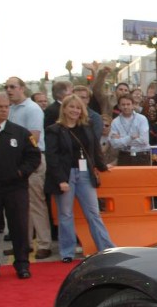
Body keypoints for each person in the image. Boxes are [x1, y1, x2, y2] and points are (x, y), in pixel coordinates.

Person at [0, 91, 41, 280]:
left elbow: (33, 156)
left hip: (15, 189)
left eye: (6, 107)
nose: (4, 110)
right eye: (0, 107)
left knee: (19, 227)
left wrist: (20, 172)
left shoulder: (19, 133)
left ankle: (22, 264)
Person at [43, 94, 115, 263]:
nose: (75, 110)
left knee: (93, 213)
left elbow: (94, 150)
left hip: (85, 174)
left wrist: (103, 166)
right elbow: (51, 157)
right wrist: (61, 179)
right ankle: (67, 252)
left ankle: (106, 248)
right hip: (66, 174)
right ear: (64, 109)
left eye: (77, 107)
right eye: (71, 107)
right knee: (66, 214)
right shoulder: (54, 130)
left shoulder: (87, 127)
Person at [6, 76, 53, 259]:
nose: (9, 90)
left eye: (13, 87)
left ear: (22, 88)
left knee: (35, 203)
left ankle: (43, 243)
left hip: (32, 159)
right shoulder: (11, 109)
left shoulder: (32, 109)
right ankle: (23, 244)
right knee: (20, 205)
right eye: (7, 87)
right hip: (16, 160)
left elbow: (33, 137)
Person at [109, 94, 151, 165]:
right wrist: (130, 137)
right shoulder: (115, 122)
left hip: (141, 156)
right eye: (123, 104)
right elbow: (114, 144)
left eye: (128, 104)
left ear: (133, 105)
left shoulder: (142, 119)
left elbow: (144, 141)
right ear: (119, 106)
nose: (126, 107)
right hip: (124, 156)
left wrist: (122, 138)